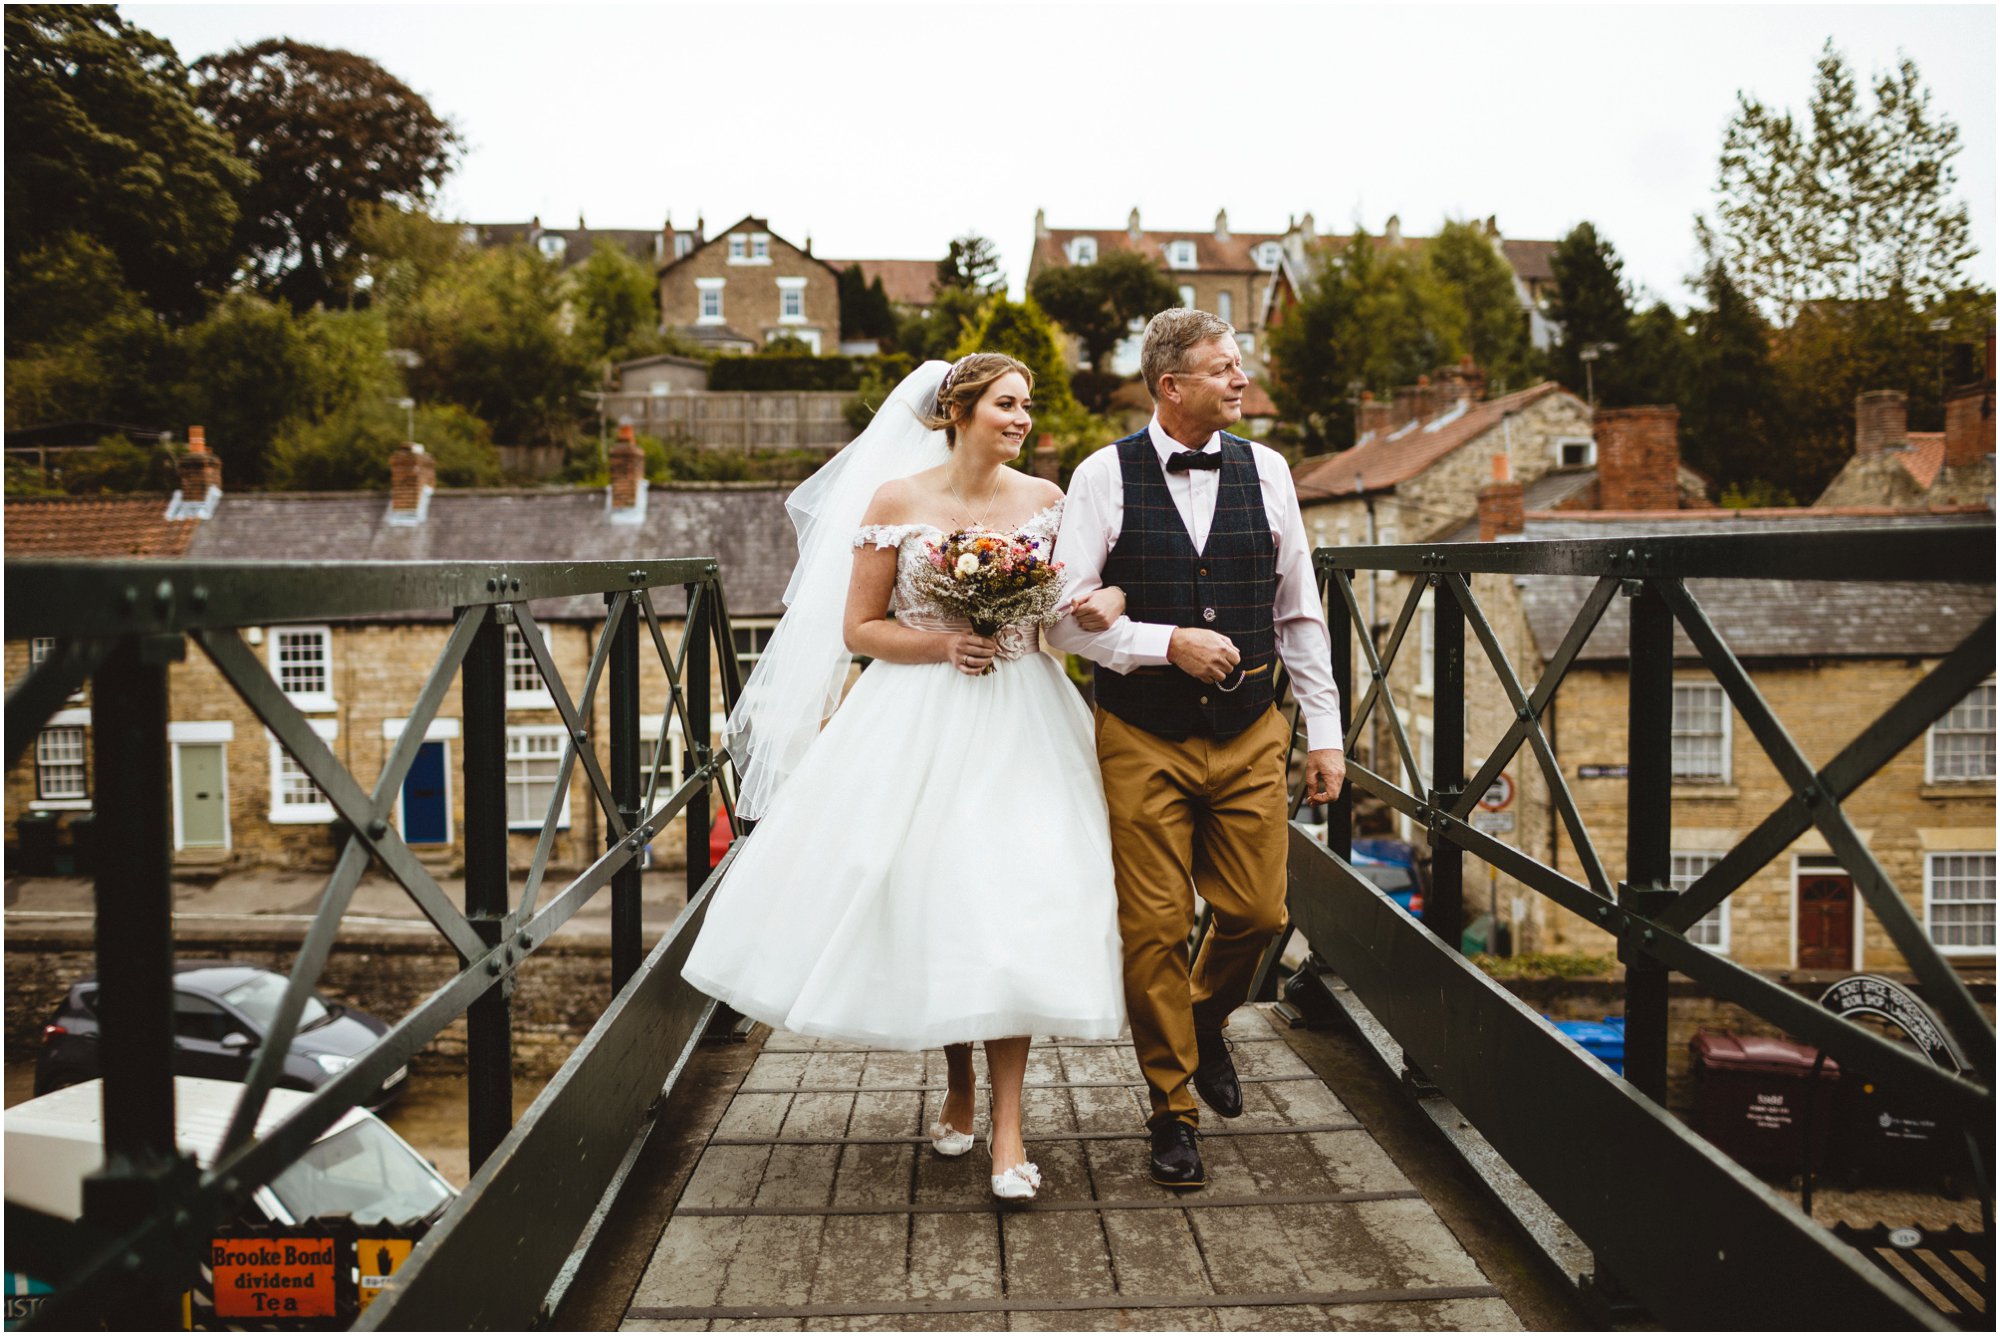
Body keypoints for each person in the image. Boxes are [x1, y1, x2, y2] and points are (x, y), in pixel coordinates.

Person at [683, 354, 1128, 1202]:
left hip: (1024, 718)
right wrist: (941, 642)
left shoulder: (1046, 501)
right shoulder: (896, 503)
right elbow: (861, 627)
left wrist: (1092, 608)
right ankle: (957, 1081)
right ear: (958, 410)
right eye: (1007, 403)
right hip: (917, 716)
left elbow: (1067, 608)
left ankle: (1008, 1132)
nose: (1022, 417)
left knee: (1013, 905)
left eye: (1027, 405)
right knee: (940, 899)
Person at [1048, 309, 1346, 1190]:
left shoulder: (1273, 471)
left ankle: (1205, 1018)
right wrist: (1161, 641)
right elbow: (1063, 620)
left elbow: (1298, 612)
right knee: (1155, 929)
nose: (1240, 381)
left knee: (1259, 914)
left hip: (1254, 727)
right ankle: (1172, 1109)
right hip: (1141, 733)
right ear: (1171, 384)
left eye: (1239, 367)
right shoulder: (1102, 475)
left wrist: (1323, 733)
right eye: (1223, 369)